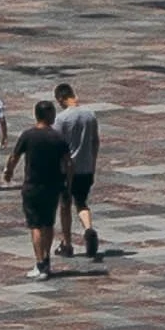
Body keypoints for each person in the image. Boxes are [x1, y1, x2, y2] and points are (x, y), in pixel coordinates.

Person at [3, 101, 72, 279]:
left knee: (35, 225)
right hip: (53, 186)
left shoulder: (28, 135)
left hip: (32, 186)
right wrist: (67, 185)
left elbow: (14, 156)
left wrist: (8, 172)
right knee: (48, 224)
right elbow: (69, 163)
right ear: (49, 115)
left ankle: (40, 262)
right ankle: (47, 260)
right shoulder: (58, 137)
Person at [54, 80, 102, 258]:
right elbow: (95, 141)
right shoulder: (90, 114)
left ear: (61, 98)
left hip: (67, 169)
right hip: (86, 166)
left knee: (65, 205)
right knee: (81, 202)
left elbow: (57, 145)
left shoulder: (62, 118)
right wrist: (93, 163)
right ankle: (88, 228)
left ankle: (67, 244)